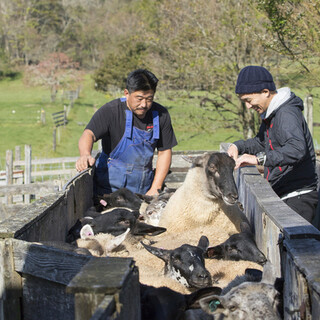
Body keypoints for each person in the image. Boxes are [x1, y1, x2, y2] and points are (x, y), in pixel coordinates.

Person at [227, 65, 318, 224]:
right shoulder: (273, 114)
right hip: (287, 193)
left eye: (249, 100)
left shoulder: (286, 114)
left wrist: (259, 160)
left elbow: (296, 149)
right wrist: (237, 146)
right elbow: (261, 142)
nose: (248, 106)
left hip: (298, 196)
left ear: (265, 92)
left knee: (295, 246)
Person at [76, 68, 177, 196]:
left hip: (142, 191)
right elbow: (88, 134)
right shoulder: (111, 111)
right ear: (126, 93)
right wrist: (85, 154)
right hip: (108, 192)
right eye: (139, 98)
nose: (144, 104)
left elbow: (164, 152)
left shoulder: (161, 115)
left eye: (149, 99)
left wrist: (155, 188)